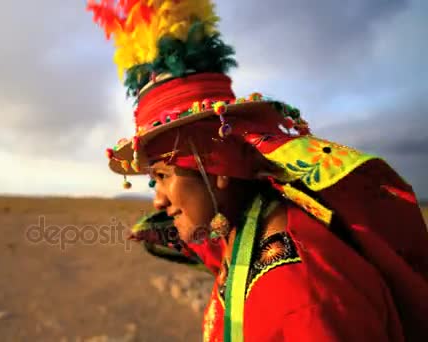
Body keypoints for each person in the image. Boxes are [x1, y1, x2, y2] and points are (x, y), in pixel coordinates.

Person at [87, 1, 428, 341]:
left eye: (162, 176)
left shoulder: (303, 293)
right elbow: (201, 241)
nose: (157, 200)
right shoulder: (244, 230)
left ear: (215, 165)